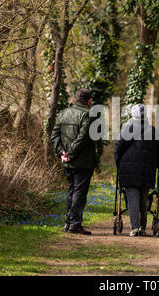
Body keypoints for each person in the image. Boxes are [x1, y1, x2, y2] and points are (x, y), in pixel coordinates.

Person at [114, 104, 159, 236]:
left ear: (133, 115)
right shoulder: (153, 131)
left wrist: (118, 163)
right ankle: (142, 227)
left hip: (128, 170)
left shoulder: (127, 129)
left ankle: (134, 228)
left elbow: (118, 149)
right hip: (147, 171)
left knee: (132, 198)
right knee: (143, 198)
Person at [51, 88, 96, 235]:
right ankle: (75, 223)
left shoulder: (63, 113)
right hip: (82, 161)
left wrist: (61, 153)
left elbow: (54, 135)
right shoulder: (88, 115)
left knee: (71, 190)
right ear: (88, 100)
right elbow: (82, 138)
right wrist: (69, 154)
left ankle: (68, 222)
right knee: (79, 192)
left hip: (67, 161)